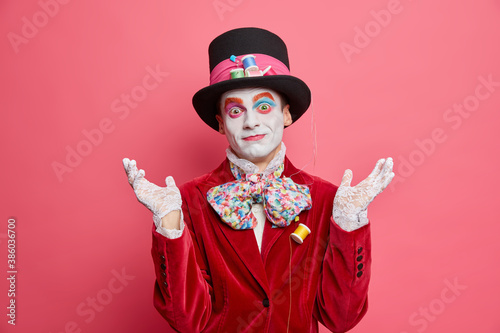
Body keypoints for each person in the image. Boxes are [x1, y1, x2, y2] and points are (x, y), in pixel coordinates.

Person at [122, 27, 394, 333]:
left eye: (263, 107)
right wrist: (170, 222)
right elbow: (187, 321)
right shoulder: (187, 201)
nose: (251, 121)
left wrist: (350, 226)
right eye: (236, 110)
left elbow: (340, 319)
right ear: (221, 124)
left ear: (286, 115)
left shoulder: (327, 199)